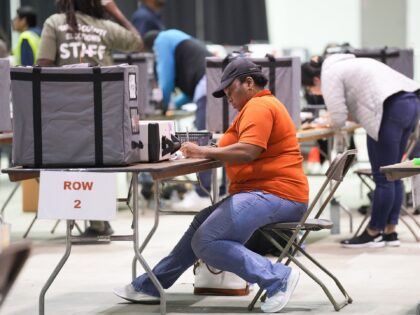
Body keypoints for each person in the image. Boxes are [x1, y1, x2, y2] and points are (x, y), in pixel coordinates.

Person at [113, 57, 309, 313]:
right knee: (199, 227)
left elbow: (248, 151)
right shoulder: (257, 107)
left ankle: (277, 277)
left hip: (276, 193)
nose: (228, 97)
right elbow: (243, 146)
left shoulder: (259, 107)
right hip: (265, 191)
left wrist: (204, 151)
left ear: (248, 83)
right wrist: (211, 150)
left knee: (206, 241)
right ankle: (151, 285)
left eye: (230, 90)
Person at [37, 0, 143, 237]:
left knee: (62, 162)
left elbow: (43, 65)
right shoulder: (104, 26)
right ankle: (99, 220)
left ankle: (74, 212)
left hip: (64, 109)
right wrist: (114, 11)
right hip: (103, 108)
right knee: (100, 160)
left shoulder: (54, 23)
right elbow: (137, 43)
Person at [302, 54, 420, 248]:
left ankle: (373, 232)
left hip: (390, 109)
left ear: (315, 80)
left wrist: (328, 121)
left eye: (310, 88)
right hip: (411, 103)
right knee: (394, 174)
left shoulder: (330, 73)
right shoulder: (346, 64)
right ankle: (390, 232)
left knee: (384, 176)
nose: (314, 92)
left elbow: (338, 118)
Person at [142, 29, 213, 210]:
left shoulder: (162, 40)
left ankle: (202, 195)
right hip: (211, 81)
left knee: (205, 140)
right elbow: (189, 92)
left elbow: (166, 78)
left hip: (207, 86)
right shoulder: (179, 39)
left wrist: (163, 106)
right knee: (219, 139)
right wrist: (176, 105)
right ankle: (217, 190)